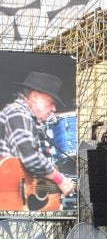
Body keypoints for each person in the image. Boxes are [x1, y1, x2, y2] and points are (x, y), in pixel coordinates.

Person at [0, 72, 75, 207]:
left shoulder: (25, 116)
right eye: (51, 102)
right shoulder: (18, 112)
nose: (53, 108)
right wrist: (60, 179)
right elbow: (30, 157)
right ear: (34, 96)